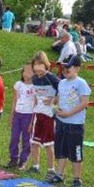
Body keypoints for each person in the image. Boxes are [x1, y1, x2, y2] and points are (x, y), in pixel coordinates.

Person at [50, 55, 91, 187]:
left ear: (77, 68)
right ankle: (59, 174)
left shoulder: (81, 83)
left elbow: (85, 103)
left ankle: (77, 178)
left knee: (75, 151)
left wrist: (69, 113)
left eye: (69, 67)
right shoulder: (61, 82)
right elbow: (58, 97)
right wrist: (53, 104)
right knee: (61, 149)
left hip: (75, 124)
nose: (66, 69)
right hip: (61, 122)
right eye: (64, 67)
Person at [28, 51, 60, 180]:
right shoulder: (34, 78)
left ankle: (51, 169)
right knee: (34, 142)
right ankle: (35, 166)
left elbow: (62, 91)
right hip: (38, 113)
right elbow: (36, 94)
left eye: (40, 64)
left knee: (48, 143)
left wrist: (53, 100)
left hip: (49, 115)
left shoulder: (51, 78)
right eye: (36, 65)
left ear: (45, 64)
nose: (38, 68)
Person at [5, 64, 35, 170]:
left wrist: (32, 121)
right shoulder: (18, 84)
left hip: (28, 115)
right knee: (14, 137)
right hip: (18, 114)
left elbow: (35, 104)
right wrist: (11, 115)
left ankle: (23, 160)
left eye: (29, 72)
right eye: (24, 71)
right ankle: (13, 158)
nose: (26, 74)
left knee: (26, 139)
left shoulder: (35, 87)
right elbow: (14, 100)